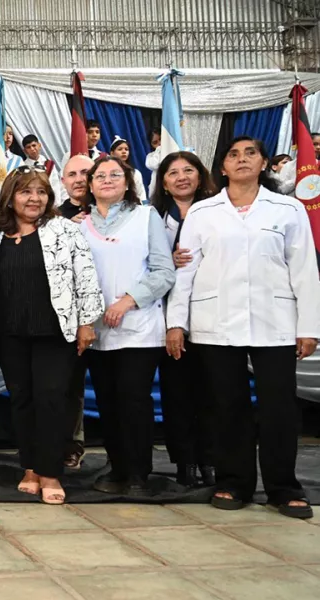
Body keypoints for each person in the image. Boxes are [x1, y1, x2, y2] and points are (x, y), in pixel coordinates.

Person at [167, 136, 320, 519]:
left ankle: (284, 488)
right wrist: (176, 323)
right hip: (215, 322)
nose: (242, 159)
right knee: (226, 406)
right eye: (233, 155)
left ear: (264, 162)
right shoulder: (203, 212)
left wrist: (309, 326)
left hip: (276, 322)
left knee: (279, 408)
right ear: (222, 167)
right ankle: (234, 482)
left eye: (250, 153)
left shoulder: (288, 208)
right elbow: (185, 271)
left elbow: (304, 270)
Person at [0, 167, 104, 505]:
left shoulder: (64, 230)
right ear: (10, 198)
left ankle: (50, 472)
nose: (34, 198)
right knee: (21, 399)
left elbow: (86, 277)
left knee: (51, 400)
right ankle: (29, 468)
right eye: (25, 192)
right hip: (7, 334)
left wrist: (86, 323)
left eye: (41, 192)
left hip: (55, 333)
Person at [79, 156, 175, 496]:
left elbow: (164, 272)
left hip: (139, 326)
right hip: (96, 331)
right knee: (108, 402)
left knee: (133, 400)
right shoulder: (79, 225)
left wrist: (128, 301)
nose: (107, 180)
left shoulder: (146, 217)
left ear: (127, 183)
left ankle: (138, 474)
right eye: (100, 176)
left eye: (115, 175)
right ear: (90, 186)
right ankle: (117, 468)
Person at [150, 151, 218, 487]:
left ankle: (211, 459)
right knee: (177, 393)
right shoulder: (152, 217)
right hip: (168, 319)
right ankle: (185, 461)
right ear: (163, 182)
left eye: (188, 170)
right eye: (173, 172)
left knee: (211, 392)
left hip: (212, 316)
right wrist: (167, 258)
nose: (181, 177)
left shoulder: (218, 210)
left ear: (200, 176)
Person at [56, 153, 96, 468]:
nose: (79, 179)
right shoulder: (53, 217)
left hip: (118, 313)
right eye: (72, 174)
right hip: (71, 316)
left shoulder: (118, 210)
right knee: (69, 384)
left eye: (85, 172)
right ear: (63, 181)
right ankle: (70, 444)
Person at [21, 134, 63, 199]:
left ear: (39, 145)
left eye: (34, 145)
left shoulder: (49, 164)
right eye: (28, 147)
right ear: (24, 151)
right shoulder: (23, 166)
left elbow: (55, 185)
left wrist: (56, 202)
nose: (32, 149)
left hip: (49, 199)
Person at [109, 137, 148, 203]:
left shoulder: (134, 173)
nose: (124, 152)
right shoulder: (107, 173)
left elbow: (141, 193)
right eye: (120, 149)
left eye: (126, 149)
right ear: (112, 153)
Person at [144, 127, 162, 197]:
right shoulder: (150, 156)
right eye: (155, 142)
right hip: (158, 191)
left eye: (161, 139)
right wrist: (158, 150)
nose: (159, 143)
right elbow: (155, 165)